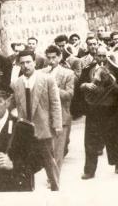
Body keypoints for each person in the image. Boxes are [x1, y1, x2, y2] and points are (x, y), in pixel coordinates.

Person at [11, 50, 62, 191]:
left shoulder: (47, 79)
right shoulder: (17, 83)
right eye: (22, 63)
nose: (26, 65)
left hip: (43, 127)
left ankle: (55, 188)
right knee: (26, 161)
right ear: (19, 65)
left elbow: (55, 103)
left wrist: (57, 124)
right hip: (25, 129)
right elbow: (15, 104)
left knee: (48, 160)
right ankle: (29, 189)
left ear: (34, 62)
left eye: (28, 62)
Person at [75, 46, 118, 179]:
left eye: (104, 56)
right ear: (95, 56)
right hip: (93, 110)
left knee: (112, 138)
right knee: (90, 140)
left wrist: (109, 78)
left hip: (110, 110)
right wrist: (86, 85)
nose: (101, 59)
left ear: (107, 57)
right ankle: (89, 171)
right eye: (99, 56)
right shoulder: (87, 69)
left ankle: (117, 162)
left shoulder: (114, 70)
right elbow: (79, 85)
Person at [42, 45, 75, 173]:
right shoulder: (42, 72)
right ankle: (51, 174)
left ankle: (54, 177)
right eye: (49, 58)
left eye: (54, 57)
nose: (51, 61)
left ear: (60, 57)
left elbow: (69, 95)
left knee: (58, 151)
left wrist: (54, 87)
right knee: (47, 150)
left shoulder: (68, 73)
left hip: (61, 116)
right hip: (45, 116)